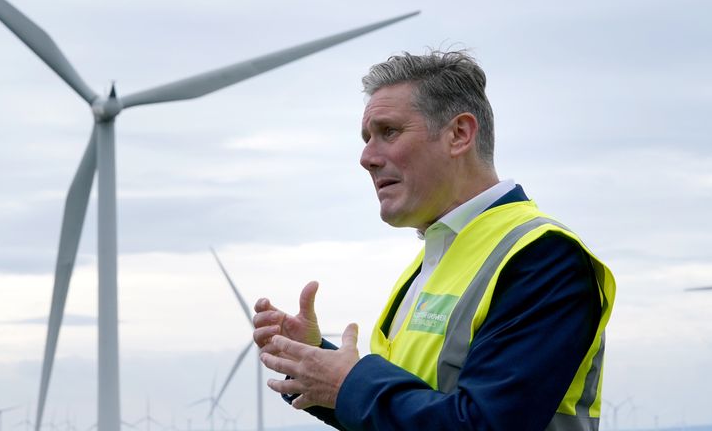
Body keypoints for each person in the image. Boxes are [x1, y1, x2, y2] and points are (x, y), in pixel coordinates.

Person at [252, 50, 616, 430]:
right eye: (366, 137)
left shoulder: (543, 258)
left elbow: (485, 424)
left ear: (459, 134)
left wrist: (346, 383)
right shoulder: (435, 257)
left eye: (388, 132)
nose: (366, 157)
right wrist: (313, 362)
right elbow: (403, 411)